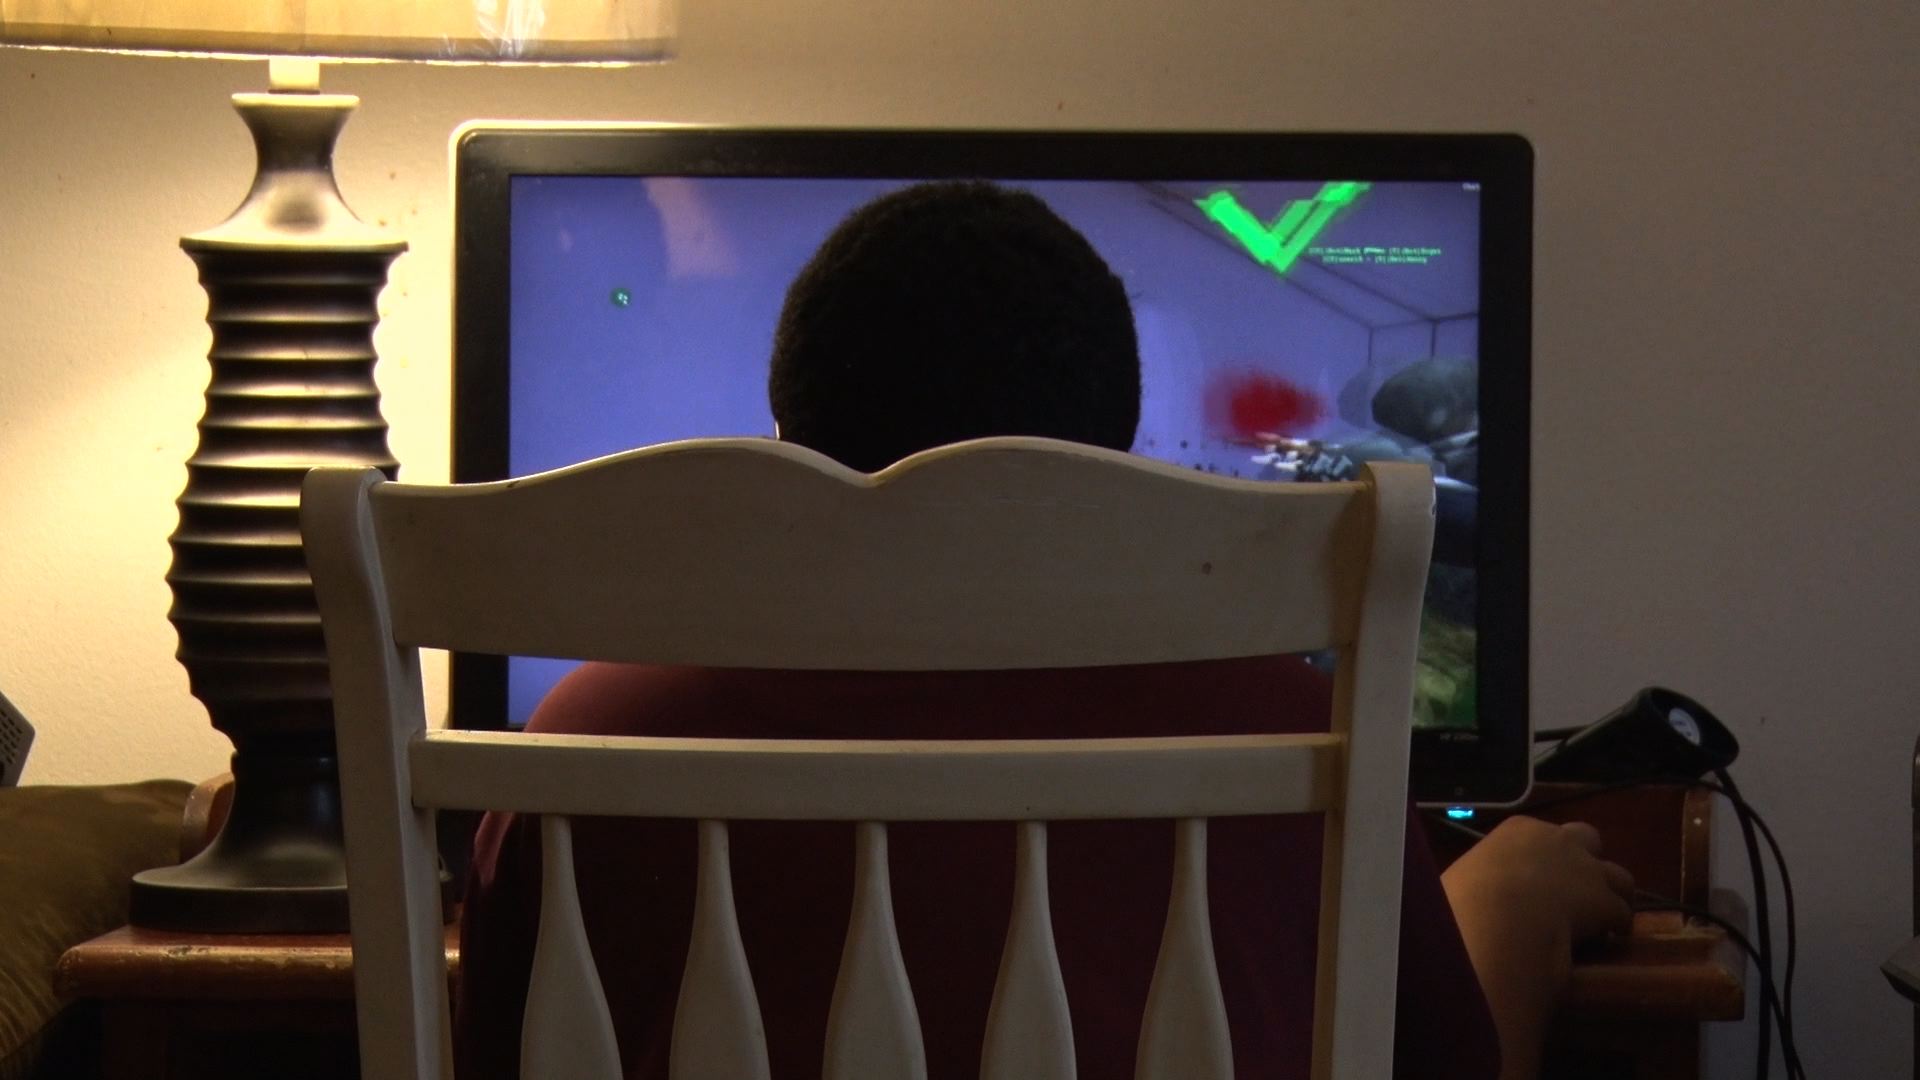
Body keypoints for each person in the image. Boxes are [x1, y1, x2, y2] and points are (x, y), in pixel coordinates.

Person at [454, 181, 1633, 1080]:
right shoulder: (1295, 736)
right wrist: (1511, 902)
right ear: (1115, 467)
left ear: (787, 451)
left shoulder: (593, 737)